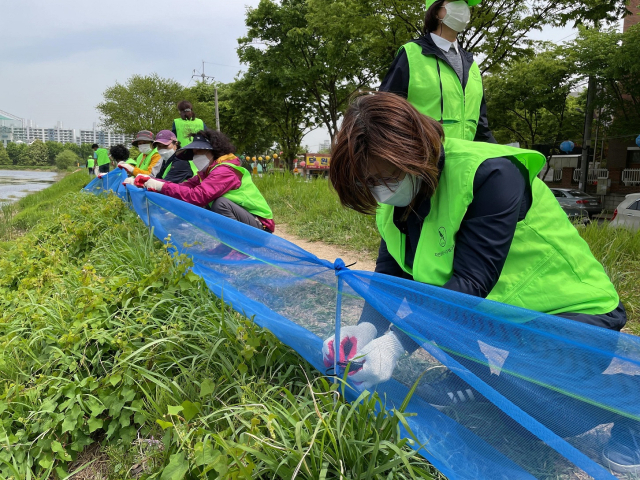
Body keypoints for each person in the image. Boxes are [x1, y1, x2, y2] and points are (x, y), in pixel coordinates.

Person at [324, 92, 637, 472]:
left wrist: (395, 344)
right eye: (368, 181)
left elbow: (472, 283)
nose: (381, 189)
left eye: (387, 176)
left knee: (539, 417)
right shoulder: (398, 205)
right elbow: (391, 277)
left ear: (416, 151)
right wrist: (367, 327)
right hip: (498, 320)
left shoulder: (491, 174)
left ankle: (631, 403)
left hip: (570, 317)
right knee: (495, 387)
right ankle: (487, 385)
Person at [380, 0, 495, 143]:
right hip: (423, 161)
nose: (463, 7)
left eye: (465, 2)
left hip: (465, 162)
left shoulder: (472, 66)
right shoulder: (411, 54)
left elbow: (481, 129)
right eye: (454, 1)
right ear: (435, 11)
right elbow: (384, 116)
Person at [135, 129, 275, 233]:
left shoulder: (225, 171)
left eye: (200, 152)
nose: (196, 157)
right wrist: (155, 184)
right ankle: (226, 246)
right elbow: (185, 186)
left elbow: (197, 196)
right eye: (194, 153)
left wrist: (160, 185)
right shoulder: (207, 173)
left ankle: (239, 248)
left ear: (214, 151)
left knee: (220, 204)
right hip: (246, 221)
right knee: (211, 204)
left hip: (260, 226)